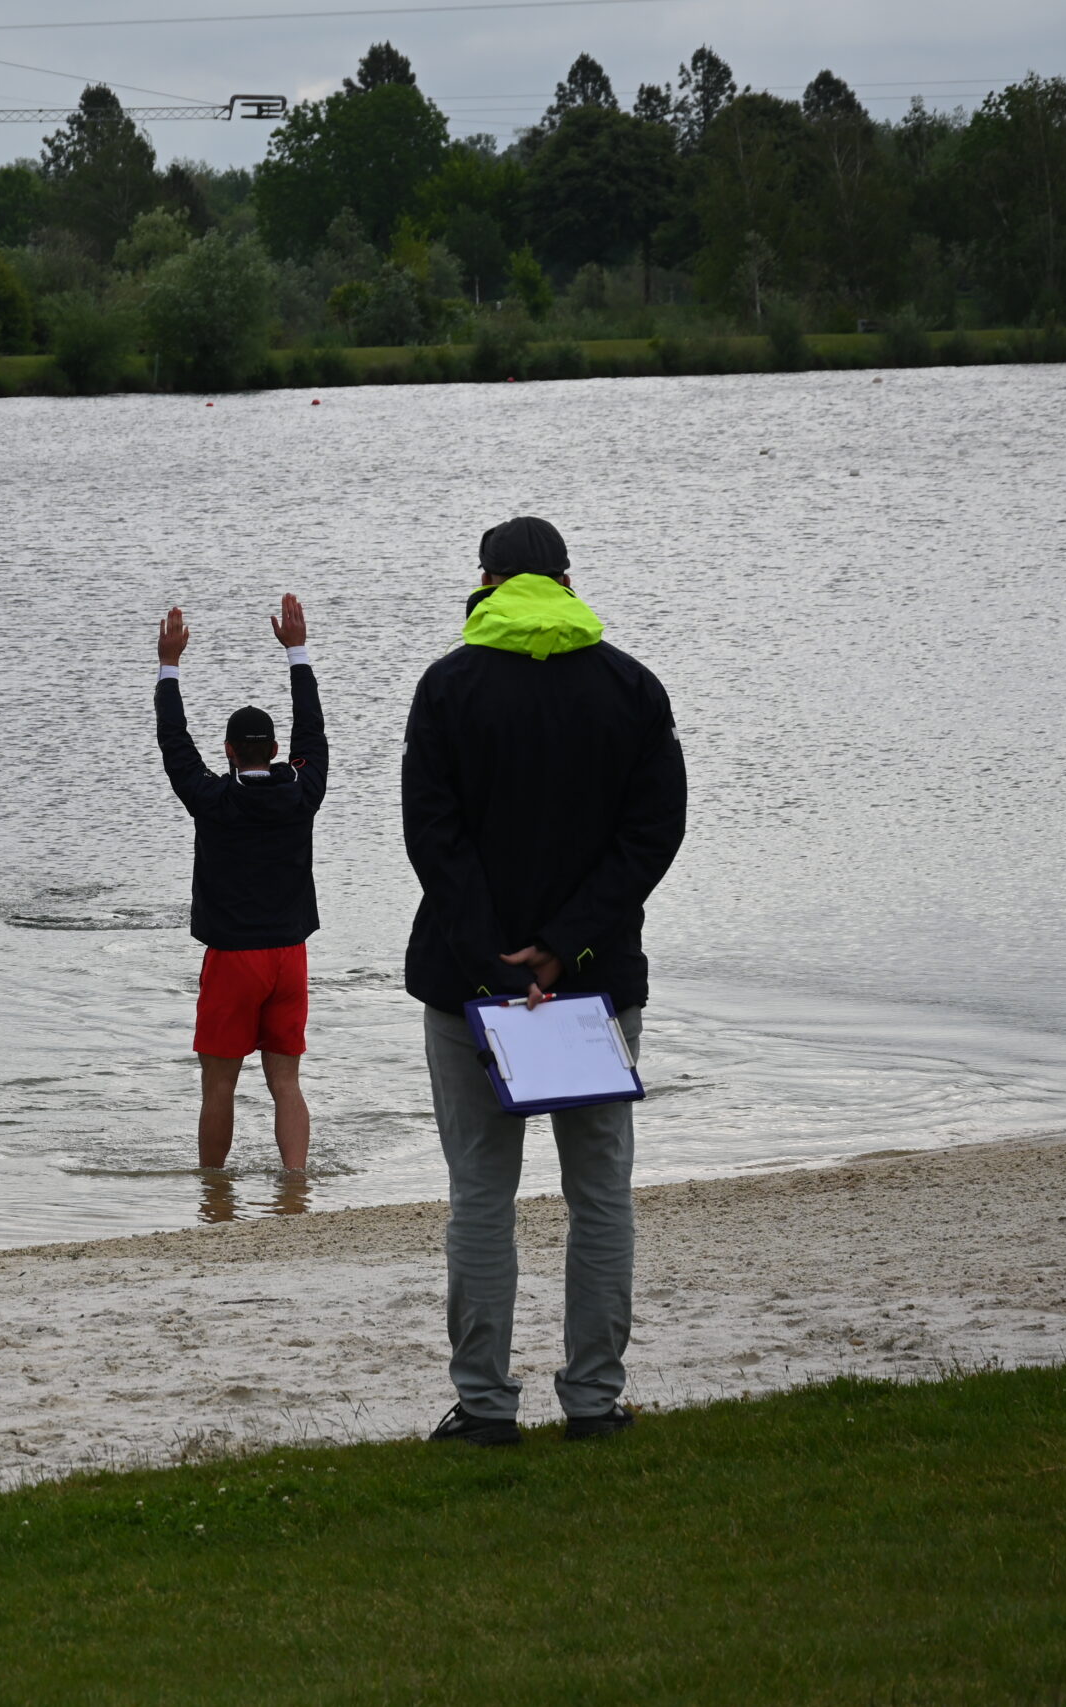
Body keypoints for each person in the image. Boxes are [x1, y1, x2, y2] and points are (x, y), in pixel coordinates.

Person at [402, 516, 687, 1447]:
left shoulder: (448, 687)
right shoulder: (630, 687)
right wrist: (566, 947)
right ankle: (594, 1399)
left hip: (468, 983)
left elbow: (432, 837)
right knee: (599, 1188)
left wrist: (496, 957)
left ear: (485, 583)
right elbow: (651, 835)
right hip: (595, 980)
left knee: (481, 1191)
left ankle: (485, 1405)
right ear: (567, 581)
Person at [156, 598, 328, 1173]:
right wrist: (297, 653)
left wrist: (169, 664)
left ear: (227, 751)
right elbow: (314, 732)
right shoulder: (301, 793)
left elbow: (174, 745)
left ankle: (213, 1189)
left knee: (219, 1087)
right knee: (286, 1082)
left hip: (233, 959)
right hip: (289, 955)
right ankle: (297, 1185)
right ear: (276, 751)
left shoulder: (213, 800)